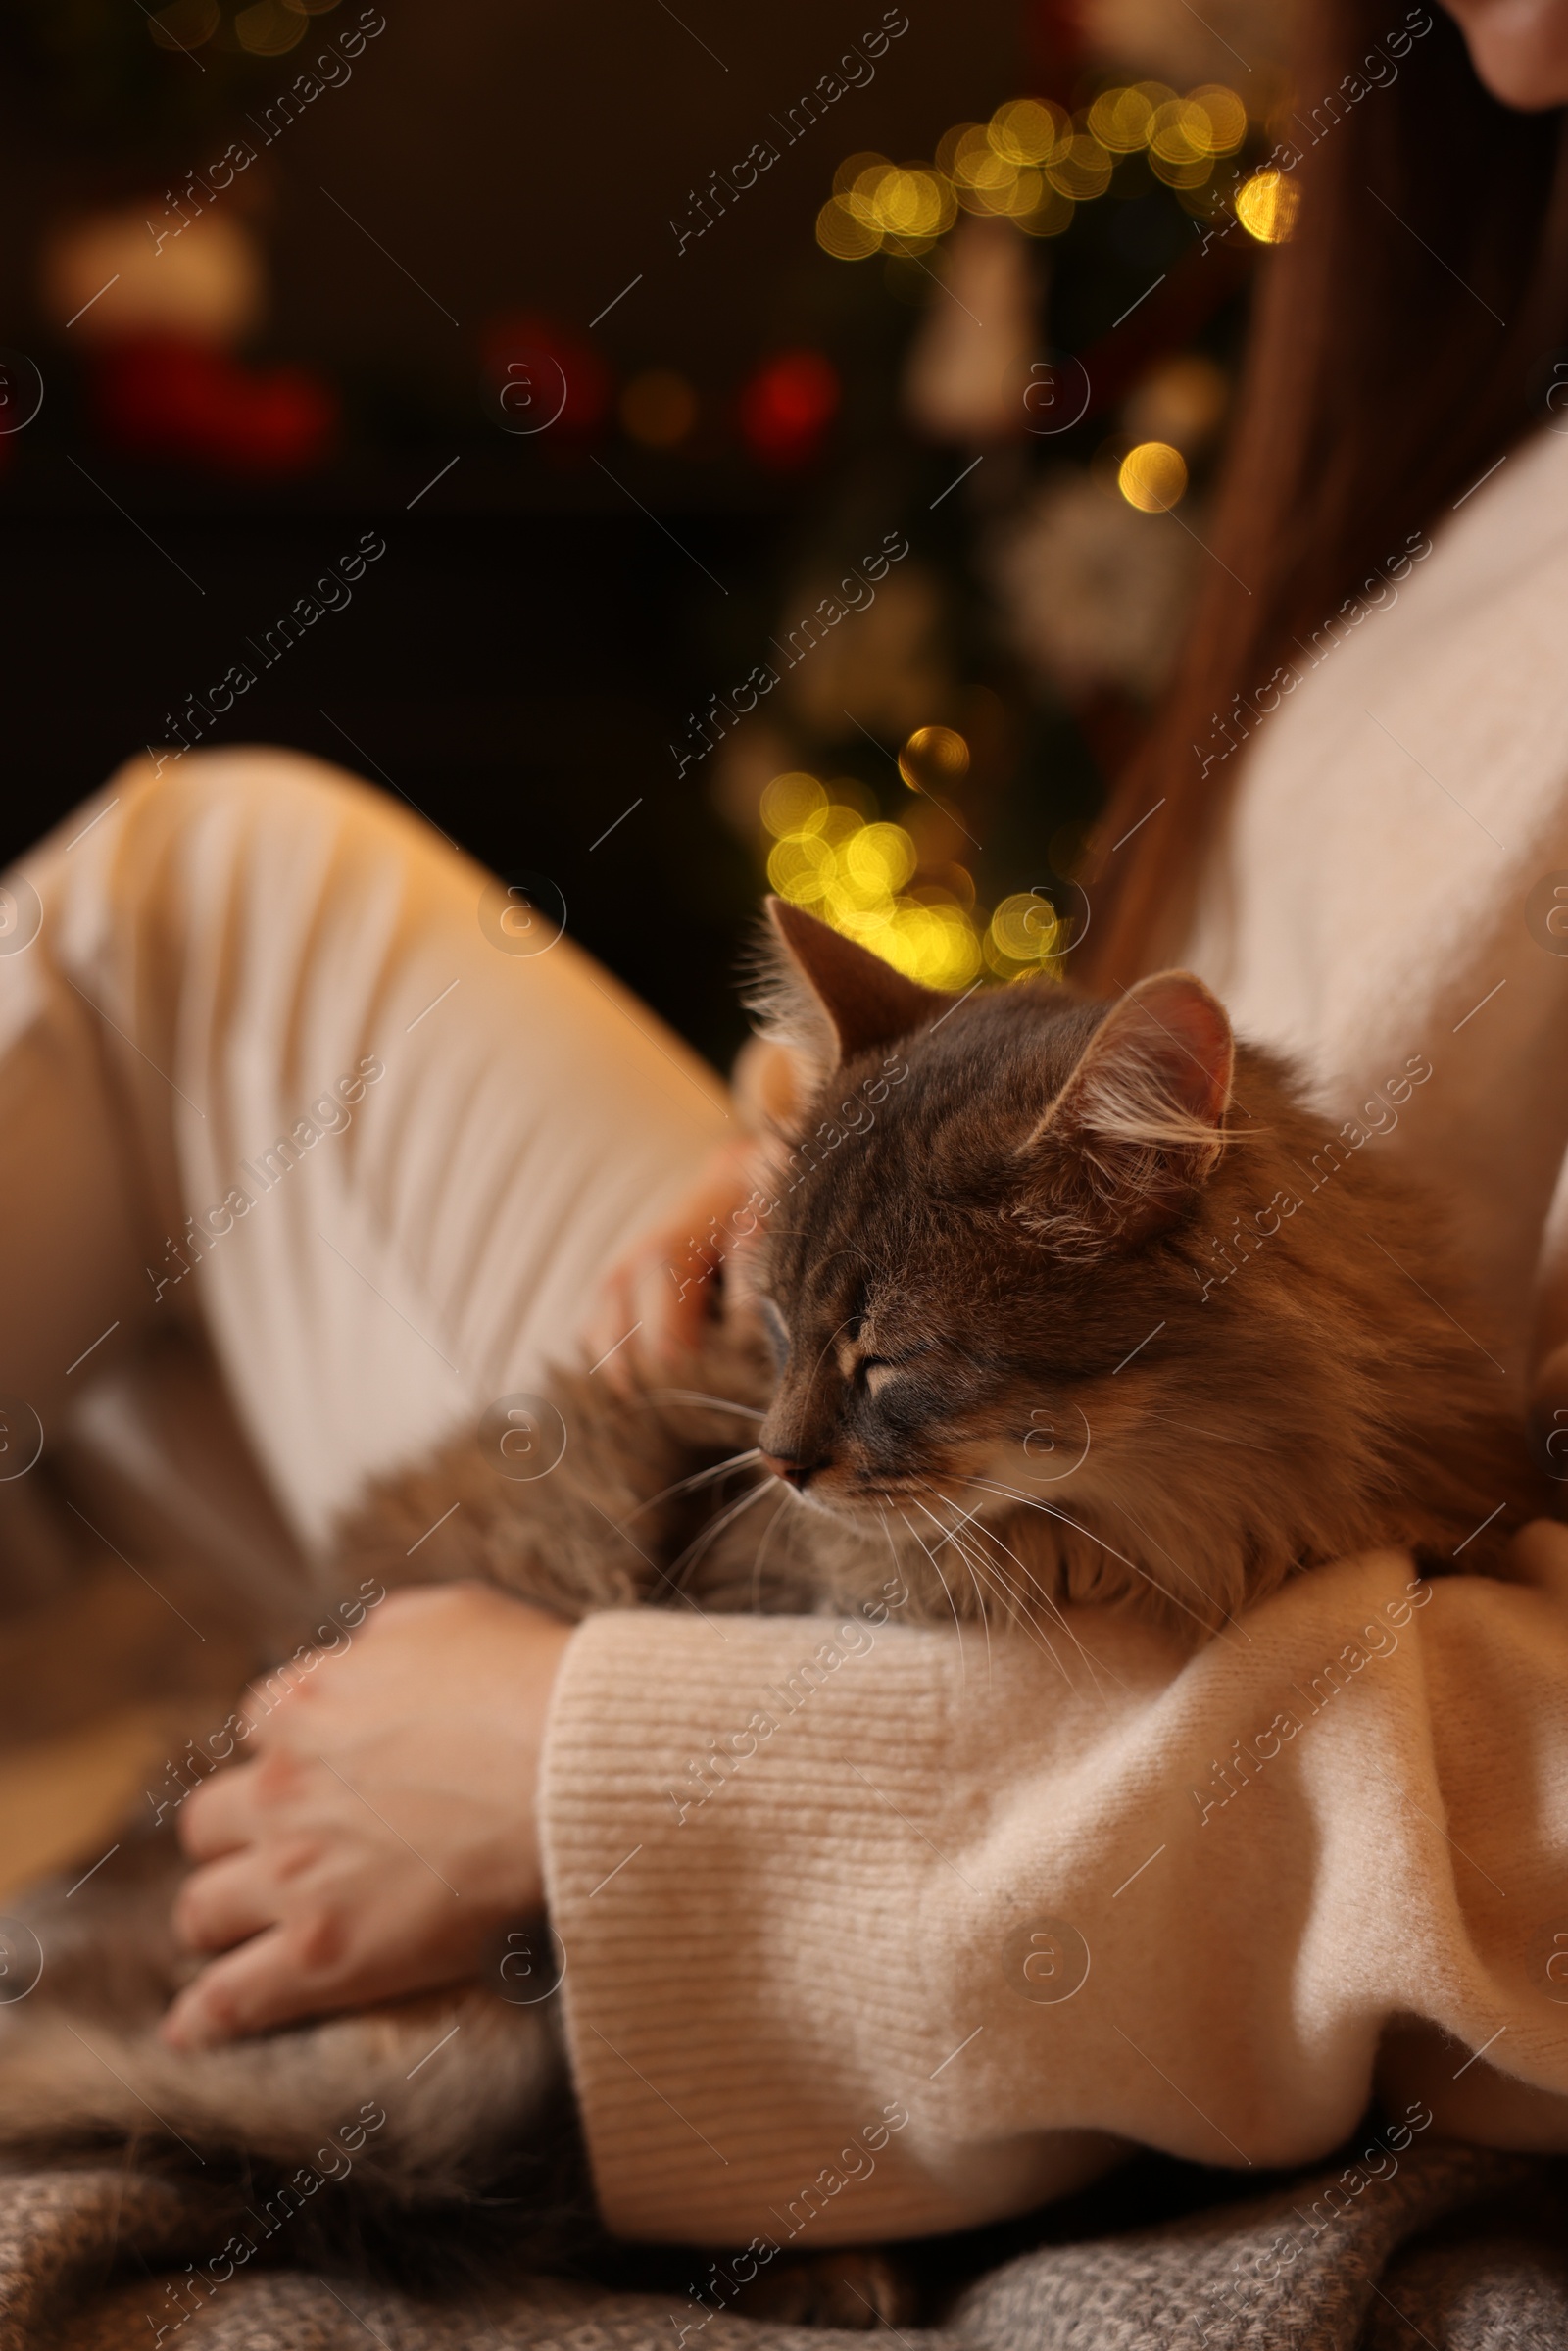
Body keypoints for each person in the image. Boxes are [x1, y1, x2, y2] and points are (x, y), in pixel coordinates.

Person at [9, 0, 1568, 2257]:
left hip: (1047, 1633)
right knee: (202, 910)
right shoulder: (1491, 375)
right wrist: (805, 1168)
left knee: (184, 917)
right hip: (1000, 1437)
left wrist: (593, 1774)